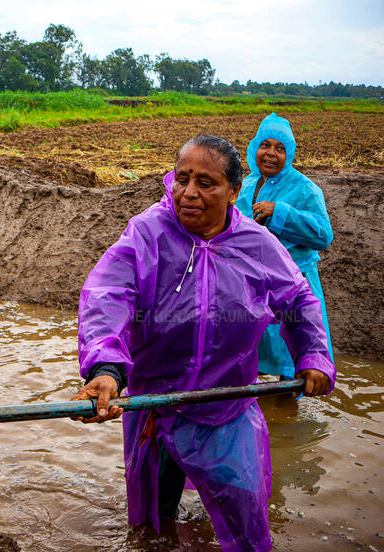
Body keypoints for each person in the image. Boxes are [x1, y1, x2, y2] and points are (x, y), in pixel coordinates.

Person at [72, 135, 334, 552]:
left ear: (234, 192)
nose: (189, 193)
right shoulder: (148, 233)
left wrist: (313, 354)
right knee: (152, 523)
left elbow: (299, 299)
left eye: (206, 183)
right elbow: (108, 296)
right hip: (153, 406)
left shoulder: (257, 245)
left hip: (226, 403)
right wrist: (107, 369)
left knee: (246, 514)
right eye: (182, 178)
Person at [235, 113, 334, 378]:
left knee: (291, 359)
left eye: (280, 148)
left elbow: (323, 235)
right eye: (265, 145)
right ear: (255, 148)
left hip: (294, 285)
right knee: (255, 358)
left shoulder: (305, 189)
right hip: (255, 285)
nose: (271, 153)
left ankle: (287, 404)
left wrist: (279, 212)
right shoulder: (245, 185)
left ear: (289, 154)